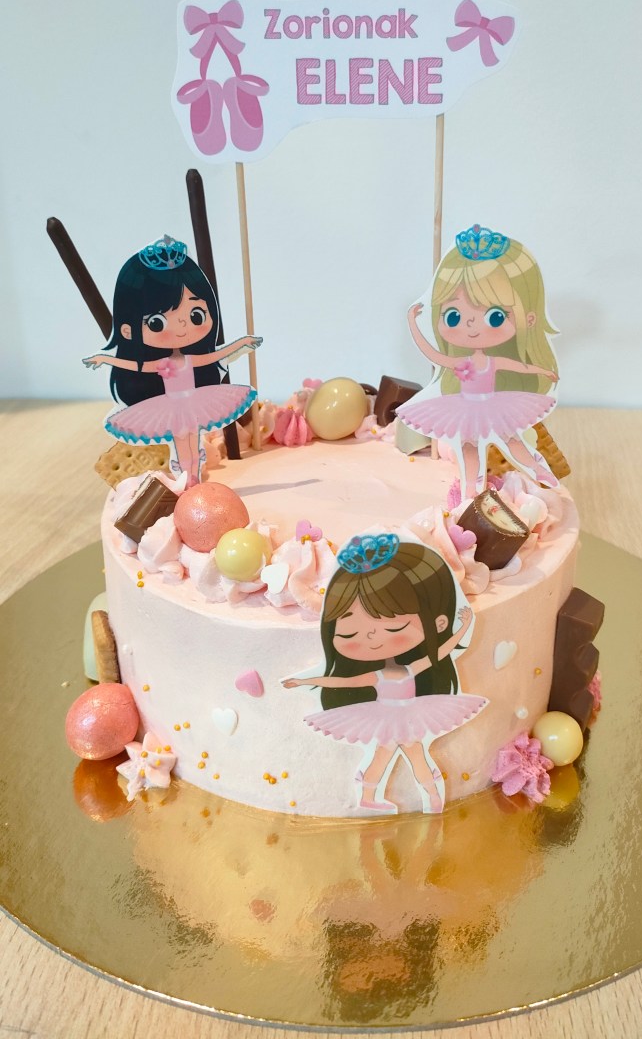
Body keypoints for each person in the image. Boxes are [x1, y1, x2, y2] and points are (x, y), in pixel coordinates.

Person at [282, 534, 487, 814]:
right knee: (400, 758)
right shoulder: (378, 676)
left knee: (400, 757)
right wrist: (303, 681)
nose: (373, 638)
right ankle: (417, 796)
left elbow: (441, 652)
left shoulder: (409, 668)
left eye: (393, 628)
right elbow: (341, 681)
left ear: (437, 622)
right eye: (350, 632)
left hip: (409, 717)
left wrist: (462, 627)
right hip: (388, 721)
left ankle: (423, 797)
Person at [83, 236, 261, 483]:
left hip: (196, 404)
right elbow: (137, 366)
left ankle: (192, 477)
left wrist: (242, 344)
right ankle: (188, 481)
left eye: (196, 315)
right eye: (157, 322)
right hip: (169, 409)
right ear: (128, 328)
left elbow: (216, 355)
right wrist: (105, 358)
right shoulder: (162, 364)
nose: (182, 328)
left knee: (192, 443)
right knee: (182, 444)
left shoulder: (189, 358)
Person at [396, 225, 559, 496]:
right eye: (453, 316)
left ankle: (539, 470)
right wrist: (413, 322)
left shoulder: (491, 361)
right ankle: (470, 488)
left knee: (513, 439)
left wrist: (544, 371)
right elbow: (432, 354)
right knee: (468, 447)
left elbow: (519, 366)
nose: (471, 326)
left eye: (494, 316)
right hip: (464, 408)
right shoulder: (461, 363)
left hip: (494, 405)